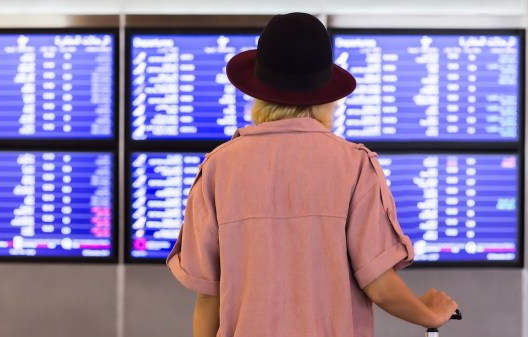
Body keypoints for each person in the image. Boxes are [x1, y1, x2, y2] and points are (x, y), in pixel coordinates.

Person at [167, 12, 458, 337]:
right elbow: (379, 285)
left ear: (258, 90)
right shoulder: (354, 166)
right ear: (327, 93)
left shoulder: (217, 168)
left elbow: (209, 298)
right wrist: (429, 313)